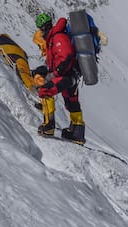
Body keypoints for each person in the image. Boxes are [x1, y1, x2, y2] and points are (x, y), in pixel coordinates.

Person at [31, 11, 86, 143]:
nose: (40, 32)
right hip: (72, 75)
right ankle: (77, 133)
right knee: (71, 102)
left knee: (45, 90)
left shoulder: (57, 37)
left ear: (43, 28)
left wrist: (55, 74)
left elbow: (66, 57)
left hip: (66, 75)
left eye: (40, 29)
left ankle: (48, 126)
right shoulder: (55, 37)